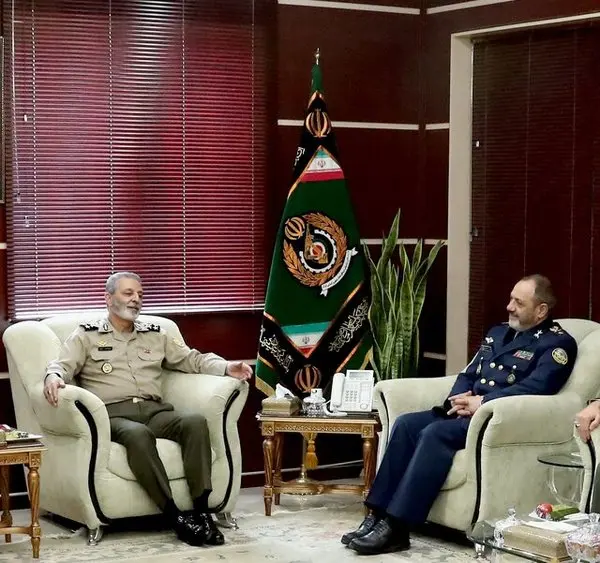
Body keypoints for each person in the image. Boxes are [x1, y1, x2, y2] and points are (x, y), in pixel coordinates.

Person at [342, 274, 577, 555]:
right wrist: (458, 399)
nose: (509, 307)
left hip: (493, 420)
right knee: (406, 424)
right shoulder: (498, 332)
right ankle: (377, 514)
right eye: (511, 299)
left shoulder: (557, 344)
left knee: (435, 433)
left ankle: (397, 526)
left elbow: (537, 387)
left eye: (519, 302)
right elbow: (469, 372)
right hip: (465, 410)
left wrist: (482, 401)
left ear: (541, 310)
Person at [43, 272, 252, 547]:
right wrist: (53, 377)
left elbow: (191, 359)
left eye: (140, 294)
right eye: (128, 293)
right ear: (109, 299)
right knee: (138, 435)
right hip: (113, 414)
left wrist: (225, 367)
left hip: (155, 410)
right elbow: (61, 365)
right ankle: (174, 515)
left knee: (194, 422)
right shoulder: (87, 334)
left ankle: (201, 511)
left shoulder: (156, 334)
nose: (136, 299)